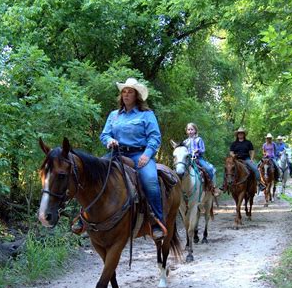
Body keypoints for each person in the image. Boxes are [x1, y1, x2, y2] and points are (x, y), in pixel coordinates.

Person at [71, 78, 165, 240]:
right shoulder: (114, 115)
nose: (126, 94)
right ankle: (85, 217)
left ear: (137, 96)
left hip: (139, 155)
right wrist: (109, 141)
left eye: (130, 92)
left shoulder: (146, 115)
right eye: (124, 92)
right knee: (92, 175)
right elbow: (105, 134)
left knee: (150, 181)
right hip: (116, 153)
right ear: (121, 95)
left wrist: (147, 155)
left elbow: (155, 137)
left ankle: (156, 221)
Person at [182, 122, 219, 195]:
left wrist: (197, 150)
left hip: (198, 159)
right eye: (188, 129)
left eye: (192, 129)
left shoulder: (199, 139)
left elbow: (203, 149)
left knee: (209, 169)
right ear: (186, 131)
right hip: (188, 159)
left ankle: (212, 187)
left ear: (195, 130)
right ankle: (179, 188)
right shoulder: (185, 142)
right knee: (179, 170)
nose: (190, 131)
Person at [228, 127, 265, 192]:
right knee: (227, 168)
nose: (240, 134)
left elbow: (252, 151)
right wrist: (234, 156)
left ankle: (259, 183)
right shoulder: (234, 143)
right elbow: (231, 152)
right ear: (237, 135)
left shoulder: (248, 142)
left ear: (244, 134)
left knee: (255, 169)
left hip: (246, 159)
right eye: (239, 133)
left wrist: (251, 159)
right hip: (236, 160)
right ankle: (225, 185)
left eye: (242, 133)